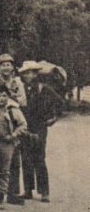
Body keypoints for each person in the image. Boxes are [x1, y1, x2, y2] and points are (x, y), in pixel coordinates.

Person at [19, 60, 62, 203]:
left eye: (30, 72)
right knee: (26, 159)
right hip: (25, 127)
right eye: (25, 73)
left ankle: (44, 192)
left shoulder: (44, 89)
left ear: (35, 74)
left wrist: (54, 118)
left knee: (39, 158)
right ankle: (28, 190)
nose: (27, 75)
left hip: (40, 127)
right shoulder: (21, 89)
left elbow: (59, 102)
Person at [0, 53, 28, 205]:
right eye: (3, 65)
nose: (6, 68)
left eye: (8, 65)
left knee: (14, 160)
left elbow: (23, 101)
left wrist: (12, 96)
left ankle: (13, 193)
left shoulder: (17, 82)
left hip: (13, 118)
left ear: (12, 67)